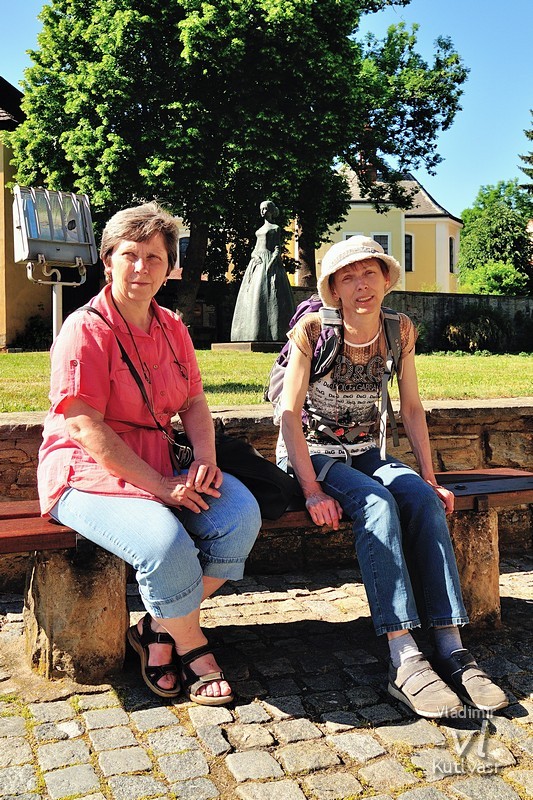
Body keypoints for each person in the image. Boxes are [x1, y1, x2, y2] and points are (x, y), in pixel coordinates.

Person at [37, 202, 262, 705]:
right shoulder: (85, 329)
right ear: (108, 261)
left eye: (154, 257)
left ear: (168, 268)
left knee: (239, 516)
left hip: (161, 462)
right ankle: (192, 646)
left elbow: (194, 402)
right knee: (165, 544)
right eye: (130, 255)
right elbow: (83, 425)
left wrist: (205, 459)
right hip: (86, 471)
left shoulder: (172, 328)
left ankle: (156, 627)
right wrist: (161, 488)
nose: (141, 267)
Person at [277, 235, 508, 718]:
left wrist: (429, 476)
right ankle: (403, 657)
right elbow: (289, 415)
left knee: (421, 499)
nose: (361, 285)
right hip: (313, 456)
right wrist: (312, 490)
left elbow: (412, 407)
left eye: (370, 273)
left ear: (386, 279)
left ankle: (450, 644)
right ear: (333, 288)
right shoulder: (315, 330)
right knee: (377, 504)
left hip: (366, 452)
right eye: (347, 277)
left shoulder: (398, 329)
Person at [231, 200, 296, 342]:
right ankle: (249, 331)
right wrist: (254, 256)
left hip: (269, 262)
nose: (262, 212)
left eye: (265, 209)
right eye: (261, 209)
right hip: (257, 262)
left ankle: (273, 332)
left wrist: (272, 262)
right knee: (254, 296)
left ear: (271, 211)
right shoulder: (259, 230)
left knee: (270, 295)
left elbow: (277, 248)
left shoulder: (275, 228)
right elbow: (256, 248)